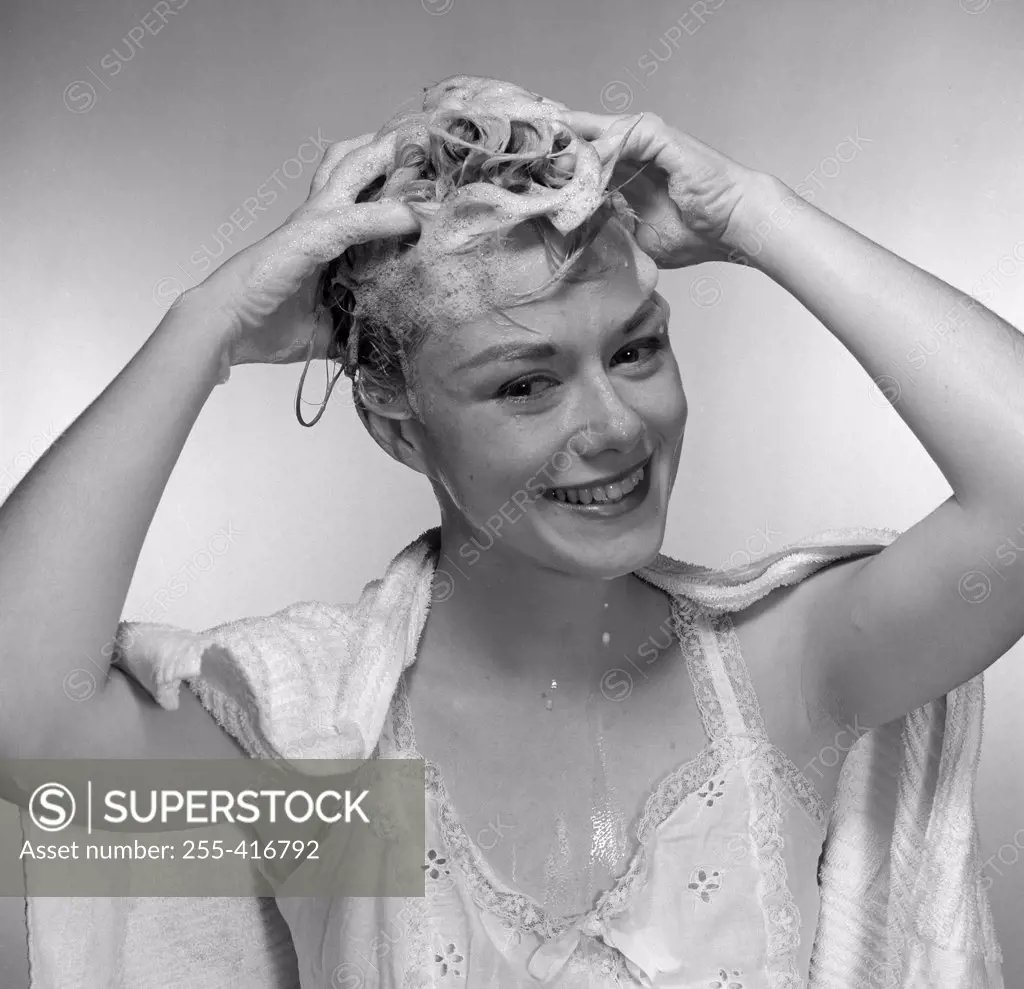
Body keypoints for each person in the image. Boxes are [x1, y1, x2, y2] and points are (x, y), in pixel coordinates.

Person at [0, 73, 1016, 987]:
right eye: (526, 383)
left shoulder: (782, 681)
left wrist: (756, 212)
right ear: (394, 420)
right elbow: (23, 735)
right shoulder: (330, 765)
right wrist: (206, 324)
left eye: (635, 351)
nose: (615, 426)